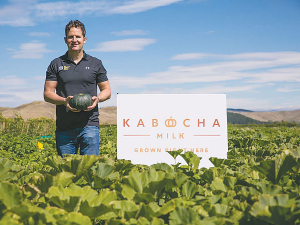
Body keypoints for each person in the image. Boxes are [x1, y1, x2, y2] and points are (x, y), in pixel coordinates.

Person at [44, 20, 111, 157]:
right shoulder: (56, 64)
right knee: (66, 173)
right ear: (65, 39)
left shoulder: (96, 63)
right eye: (71, 37)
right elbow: (47, 93)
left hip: (90, 125)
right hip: (64, 127)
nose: (74, 40)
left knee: (90, 169)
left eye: (78, 37)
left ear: (84, 39)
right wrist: (64, 101)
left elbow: (107, 91)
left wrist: (97, 99)